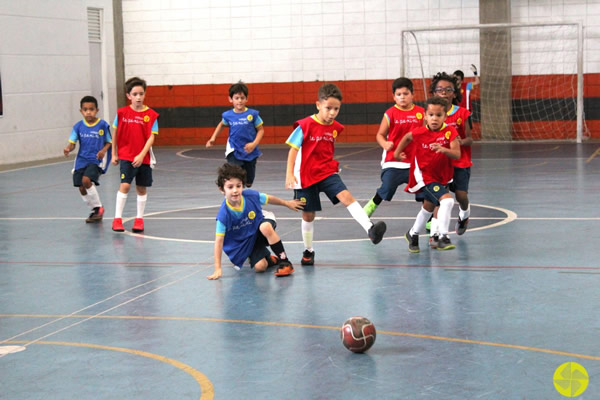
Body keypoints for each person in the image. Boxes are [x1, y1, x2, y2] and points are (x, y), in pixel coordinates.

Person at [285, 83, 387, 266]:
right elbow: (293, 150)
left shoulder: (335, 127)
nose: (332, 113)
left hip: (327, 172)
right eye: (328, 108)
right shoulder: (305, 125)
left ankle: (370, 229)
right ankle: (308, 251)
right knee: (308, 216)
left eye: (336, 109)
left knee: (346, 197)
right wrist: (289, 174)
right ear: (318, 105)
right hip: (305, 175)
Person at [208, 163, 305, 280]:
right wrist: (218, 268)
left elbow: (269, 199)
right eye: (230, 187)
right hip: (248, 239)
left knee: (265, 227)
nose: (235, 190)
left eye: (238, 186)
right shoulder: (223, 215)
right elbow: (219, 242)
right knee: (260, 267)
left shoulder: (250, 196)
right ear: (221, 189)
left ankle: (285, 262)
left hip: (261, 223)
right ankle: (269, 259)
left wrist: (287, 203)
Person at [394, 96, 460, 252]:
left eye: (438, 115)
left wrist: (444, 149)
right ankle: (443, 237)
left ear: (445, 116)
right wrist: (397, 153)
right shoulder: (420, 132)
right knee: (447, 201)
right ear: (425, 116)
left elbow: (457, 154)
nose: (434, 118)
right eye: (431, 115)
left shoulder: (450, 132)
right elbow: (407, 137)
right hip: (426, 178)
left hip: (442, 176)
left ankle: (413, 234)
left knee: (427, 208)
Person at [363, 77, 425, 217]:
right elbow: (380, 134)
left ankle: (429, 219)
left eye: (405, 94)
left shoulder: (421, 112)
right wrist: (385, 144)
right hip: (393, 160)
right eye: (399, 94)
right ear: (394, 97)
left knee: (424, 190)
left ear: (412, 95)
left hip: (415, 161)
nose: (402, 97)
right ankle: (372, 205)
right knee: (387, 186)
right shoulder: (390, 113)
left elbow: (426, 133)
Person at [429, 72, 473, 245]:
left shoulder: (462, 113)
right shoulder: (432, 114)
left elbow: (470, 138)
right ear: (434, 93)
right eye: (440, 89)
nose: (444, 93)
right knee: (439, 199)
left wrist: (459, 141)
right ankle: (435, 233)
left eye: (448, 89)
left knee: (461, 196)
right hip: (440, 163)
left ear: (455, 93)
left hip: (460, 161)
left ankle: (465, 215)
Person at [111, 76, 159, 233]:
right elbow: (115, 132)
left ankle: (139, 219)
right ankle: (117, 219)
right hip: (126, 156)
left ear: (145, 94)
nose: (138, 97)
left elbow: (151, 137)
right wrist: (114, 154)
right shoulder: (122, 113)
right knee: (124, 185)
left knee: (141, 188)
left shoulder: (151, 115)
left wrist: (141, 155)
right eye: (135, 94)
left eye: (141, 93)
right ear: (128, 95)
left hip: (143, 158)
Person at [206, 81, 265, 188]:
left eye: (242, 98)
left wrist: (254, 144)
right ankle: (236, 194)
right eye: (236, 98)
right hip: (234, 150)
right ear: (230, 99)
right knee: (235, 176)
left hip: (249, 151)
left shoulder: (252, 114)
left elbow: (261, 130)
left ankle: (245, 185)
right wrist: (213, 138)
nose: (239, 101)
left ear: (246, 99)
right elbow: (221, 124)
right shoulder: (228, 115)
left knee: (249, 182)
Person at [64, 96, 112, 223]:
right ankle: (94, 210)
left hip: (95, 159)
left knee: (86, 180)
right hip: (81, 160)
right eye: (85, 109)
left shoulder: (102, 125)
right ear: (81, 111)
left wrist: (103, 151)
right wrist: (69, 148)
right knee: (81, 186)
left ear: (97, 110)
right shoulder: (78, 126)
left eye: (91, 109)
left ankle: (99, 208)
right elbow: (73, 143)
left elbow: (109, 142)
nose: (88, 112)